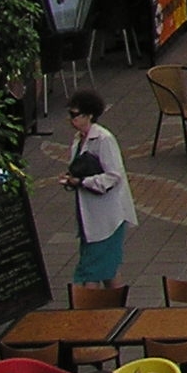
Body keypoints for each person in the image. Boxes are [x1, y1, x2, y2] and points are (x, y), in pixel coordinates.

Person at [62, 89, 136, 284]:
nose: (71, 119)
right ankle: (116, 306)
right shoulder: (79, 139)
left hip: (107, 218)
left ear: (89, 115)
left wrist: (82, 182)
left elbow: (113, 176)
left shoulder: (104, 139)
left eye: (75, 115)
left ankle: (93, 310)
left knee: (89, 272)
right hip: (91, 217)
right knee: (107, 271)